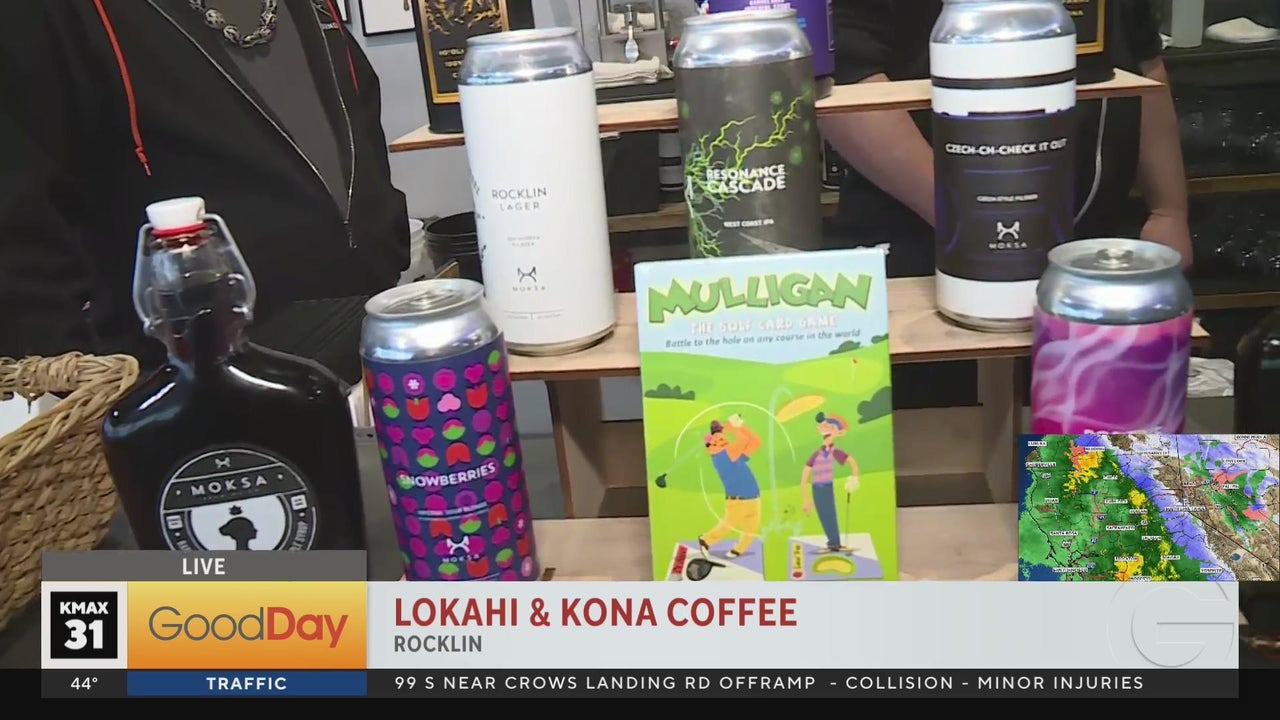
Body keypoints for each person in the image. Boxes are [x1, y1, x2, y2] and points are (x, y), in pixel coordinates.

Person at [0, 0, 408, 371]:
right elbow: (21, 226)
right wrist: (86, 385)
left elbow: (355, 109)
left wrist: (383, 231)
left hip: (366, 343)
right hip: (194, 388)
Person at [821, 1, 1191, 408]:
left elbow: (1145, 62)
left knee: (1096, 441)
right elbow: (846, 80)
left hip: (1094, 258)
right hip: (930, 255)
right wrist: (976, 226)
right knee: (944, 435)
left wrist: (1169, 211)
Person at [699, 415, 762, 559]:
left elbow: (756, 442)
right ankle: (706, 539)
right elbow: (743, 440)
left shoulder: (734, 455)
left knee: (751, 529)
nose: (721, 439)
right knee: (727, 525)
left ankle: (737, 550)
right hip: (738, 501)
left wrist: (741, 425)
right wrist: (733, 426)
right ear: (710, 448)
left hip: (754, 498)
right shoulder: (724, 455)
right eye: (716, 440)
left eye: (722, 437)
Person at [800, 412, 859, 553]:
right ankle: (833, 543)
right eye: (825, 426)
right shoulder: (816, 454)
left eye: (831, 427)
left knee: (830, 514)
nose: (827, 430)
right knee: (824, 515)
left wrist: (854, 478)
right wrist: (806, 500)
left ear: (839, 432)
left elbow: (851, 462)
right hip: (817, 488)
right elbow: (804, 478)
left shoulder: (834, 452)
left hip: (827, 487)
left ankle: (834, 543)